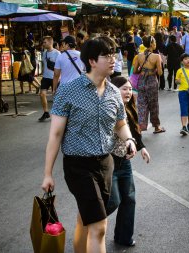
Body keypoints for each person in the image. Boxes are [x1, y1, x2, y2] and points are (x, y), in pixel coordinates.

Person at [41, 36, 137, 253]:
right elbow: (55, 135)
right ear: (92, 61)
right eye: (107, 55)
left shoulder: (114, 92)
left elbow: (120, 124)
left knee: (85, 221)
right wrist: (48, 173)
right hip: (78, 166)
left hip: (105, 164)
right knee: (99, 226)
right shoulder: (69, 91)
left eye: (114, 54)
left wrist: (129, 139)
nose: (113, 59)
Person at [106, 76, 150, 247]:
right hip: (109, 163)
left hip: (124, 162)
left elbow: (134, 132)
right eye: (124, 88)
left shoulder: (130, 109)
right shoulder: (109, 109)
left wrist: (141, 147)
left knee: (129, 199)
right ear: (114, 90)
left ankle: (124, 237)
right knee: (113, 201)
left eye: (130, 89)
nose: (128, 92)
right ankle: (90, 226)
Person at [133, 35, 166, 134]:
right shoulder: (156, 56)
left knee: (142, 104)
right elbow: (160, 73)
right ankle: (157, 127)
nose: (155, 44)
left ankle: (140, 128)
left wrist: (143, 70)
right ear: (151, 44)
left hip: (141, 81)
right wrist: (155, 68)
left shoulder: (139, 56)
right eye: (154, 42)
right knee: (153, 105)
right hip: (152, 81)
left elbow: (135, 71)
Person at [38, 36, 61, 121]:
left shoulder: (57, 53)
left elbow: (60, 66)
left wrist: (59, 77)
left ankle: (57, 113)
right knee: (42, 94)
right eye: (43, 42)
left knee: (56, 96)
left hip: (55, 77)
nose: (43, 44)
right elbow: (44, 65)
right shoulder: (44, 53)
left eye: (45, 42)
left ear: (50, 43)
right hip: (45, 77)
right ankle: (46, 112)